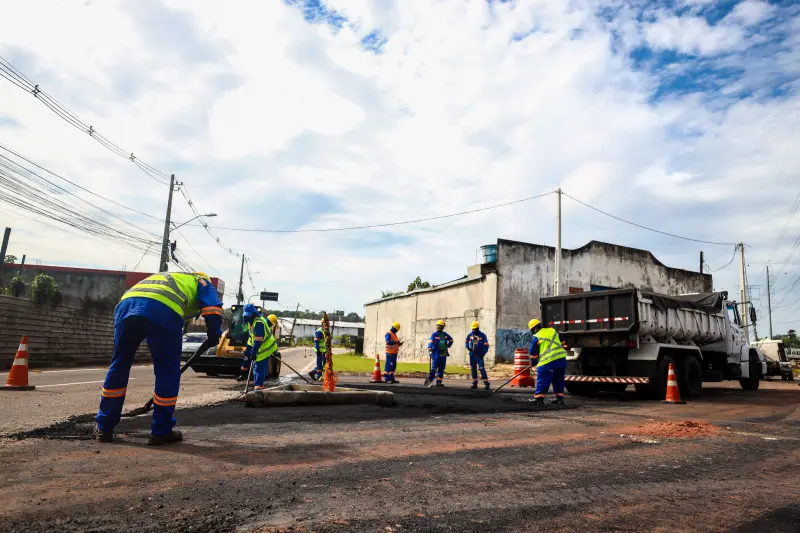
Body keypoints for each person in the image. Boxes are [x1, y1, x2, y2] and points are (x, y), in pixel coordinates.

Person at [94, 271, 223, 445]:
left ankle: (104, 427)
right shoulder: (202, 281)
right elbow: (212, 309)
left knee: (119, 365)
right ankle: (161, 430)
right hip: (162, 309)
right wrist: (214, 333)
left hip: (127, 305)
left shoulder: (171, 278)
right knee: (167, 370)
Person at [527, 318, 568, 405]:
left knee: (542, 378)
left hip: (547, 361)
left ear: (535, 329)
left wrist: (533, 362)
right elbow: (563, 341)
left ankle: (539, 398)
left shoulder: (537, 336)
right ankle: (559, 398)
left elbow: (533, 352)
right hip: (561, 360)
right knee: (558, 379)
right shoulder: (553, 330)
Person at [242, 304, 278, 390]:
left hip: (266, 348)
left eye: (249, 315)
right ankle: (257, 387)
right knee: (256, 366)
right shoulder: (251, 323)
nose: (247, 317)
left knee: (259, 367)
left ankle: (258, 389)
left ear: (253, 314)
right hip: (260, 347)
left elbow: (258, 340)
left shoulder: (259, 323)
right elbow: (252, 338)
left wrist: (254, 351)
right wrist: (249, 350)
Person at [237, 313, 282, 381]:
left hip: (259, 346)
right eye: (268, 321)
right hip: (251, 343)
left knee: (258, 362)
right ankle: (243, 374)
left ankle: (253, 377)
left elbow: (269, 341)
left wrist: (272, 351)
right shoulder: (255, 323)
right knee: (247, 357)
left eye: (270, 322)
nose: (269, 323)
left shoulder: (269, 328)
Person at [427, 320, 453, 387]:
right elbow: (431, 342)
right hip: (436, 353)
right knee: (434, 368)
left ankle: (439, 382)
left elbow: (451, 340)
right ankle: (429, 382)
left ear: (442, 327)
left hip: (442, 352)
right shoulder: (434, 335)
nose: (439, 327)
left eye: (440, 326)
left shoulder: (445, 335)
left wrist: (448, 345)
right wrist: (430, 347)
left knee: (441, 368)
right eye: (438, 326)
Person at [466, 321, 490, 390]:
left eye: (475, 329)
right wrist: (468, 347)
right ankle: (474, 383)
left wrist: (483, 353)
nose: (473, 330)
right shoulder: (470, 335)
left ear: (478, 328)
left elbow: (486, 345)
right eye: (472, 329)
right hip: (472, 355)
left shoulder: (482, 335)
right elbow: (466, 342)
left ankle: (486, 383)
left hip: (479, 356)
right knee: (473, 369)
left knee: (481, 368)